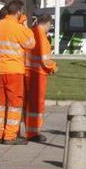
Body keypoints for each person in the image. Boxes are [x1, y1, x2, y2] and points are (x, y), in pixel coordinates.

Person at [0, 0, 36, 145]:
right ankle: (9, 136)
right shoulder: (18, 28)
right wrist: (25, 25)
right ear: (19, 12)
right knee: (14, 104)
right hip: (14, 71)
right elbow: (31, 43)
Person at [24, 14, 57, 142]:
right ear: (48, 23)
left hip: (27, 72)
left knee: (26, 104)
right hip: (38, 74)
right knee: (36, 105)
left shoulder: (30, 32)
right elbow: (45, 60)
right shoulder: (42, 37)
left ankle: (27, 129)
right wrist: (54, 67)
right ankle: (33, 132)